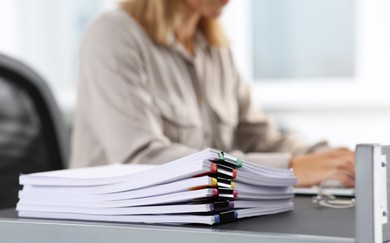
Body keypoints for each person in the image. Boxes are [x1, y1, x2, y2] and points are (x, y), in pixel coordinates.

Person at [70, 0, 355, 188]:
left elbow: (260, 137)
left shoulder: (215, 47)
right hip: (115, 242)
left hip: (196, 235)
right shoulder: (112, 35)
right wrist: (288, 168)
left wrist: (329, 159)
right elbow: (140, 158)